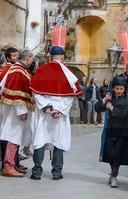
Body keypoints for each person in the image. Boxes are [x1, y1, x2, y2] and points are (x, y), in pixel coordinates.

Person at [29, 46, 81, 180]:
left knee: (40, 140)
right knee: (59, 141)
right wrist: (60, 111)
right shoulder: (67, 72)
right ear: (63, 56)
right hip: (60, 113)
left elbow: (36, 92)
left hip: (44, 112)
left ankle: (36, 172)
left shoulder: (41, 70)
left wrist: (47, 108)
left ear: (50, 56)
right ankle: (57, 173)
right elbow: (70, 95)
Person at [0, 49, 34, 177]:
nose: (32, 61)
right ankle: (8, 166)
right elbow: (17, 92)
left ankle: (13, 164)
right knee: (13, 136)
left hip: (15, 108)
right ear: (28, 58)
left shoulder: (19, 69)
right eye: (32, 59)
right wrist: (21, 112)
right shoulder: (18, 71)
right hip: (16, 109)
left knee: (16, 137)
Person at [99, 76, 128, 188]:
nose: (119, 91)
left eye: (121, 89)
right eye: (117, 88)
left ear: (124, 90)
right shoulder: (109, 99)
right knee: (110, 154)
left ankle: (114, 176)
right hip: (110, 131)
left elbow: (124, 114)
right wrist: (104, 100)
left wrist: (112, 108)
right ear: (113, 89)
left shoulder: (127, 102)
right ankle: (113, 171)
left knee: (117, 154)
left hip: (121, 132)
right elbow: (97, 108)